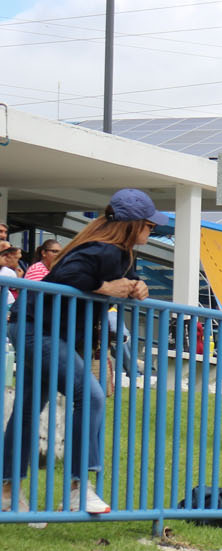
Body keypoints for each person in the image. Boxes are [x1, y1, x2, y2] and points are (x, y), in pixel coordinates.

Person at [1, 189, 161, 522]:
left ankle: (8, 492)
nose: (153, 230)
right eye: (149, 225)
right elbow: (66, 275)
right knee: (89, 396)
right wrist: (104, 287)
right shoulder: (105, 249)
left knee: (29, 408)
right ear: (131, 224)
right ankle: (77, 489)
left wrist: (138, 286)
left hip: (33, 326)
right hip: (38, 330)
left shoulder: (117, 253)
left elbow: (121, 279)